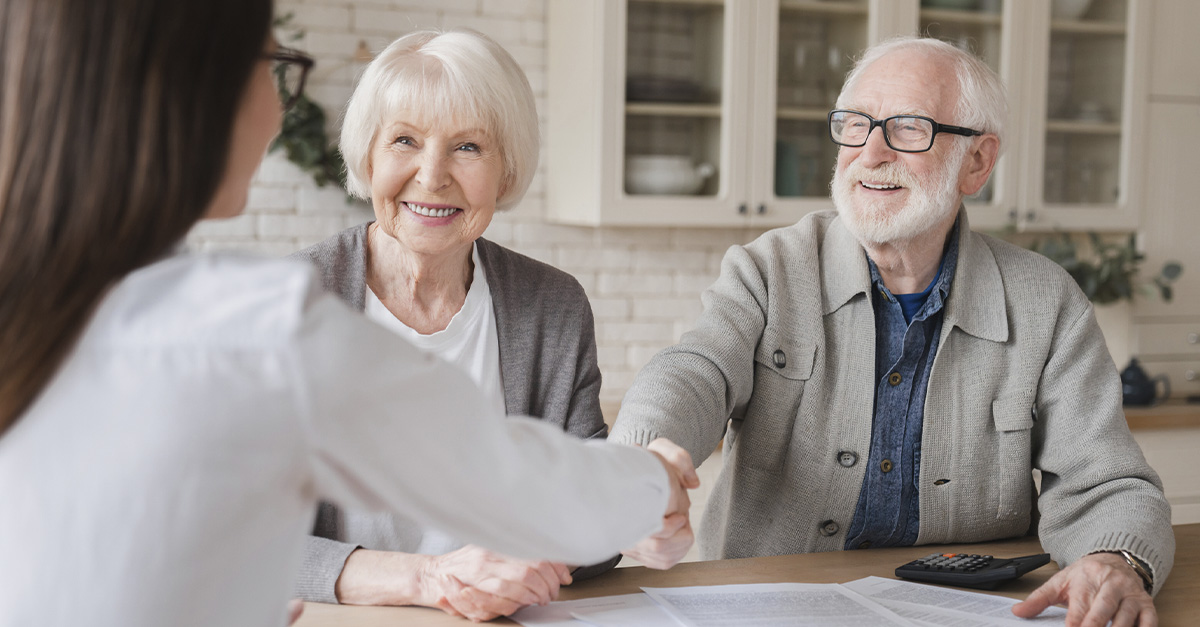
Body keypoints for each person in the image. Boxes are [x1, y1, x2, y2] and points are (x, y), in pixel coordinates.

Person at [0, 2, 699, 626]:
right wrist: (653, 481)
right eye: (272, 67)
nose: (278, 111)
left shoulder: (48, 304)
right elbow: (506, 477)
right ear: (193, 92)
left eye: (468, 145)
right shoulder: (257, 330)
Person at [611, 36, 1173, 627]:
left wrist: (1114, 558)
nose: (871, 151)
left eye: (908, 128)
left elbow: (1109, 482)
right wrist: (641, 457)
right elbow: (694, 370)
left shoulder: (1047, 302)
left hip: (976, 614)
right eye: (855, 124)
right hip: (774, 608)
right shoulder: (770, 269)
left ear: (976, 162)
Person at [289, 29, 682, 621]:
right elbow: (232, 538)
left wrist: (630, 514)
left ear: (506, 171)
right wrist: (430, 579)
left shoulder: (551, 306)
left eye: (468, 147)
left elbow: (583, 526)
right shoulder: (288, 307)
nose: (432, 175)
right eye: (404, 140)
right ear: (368, 157)